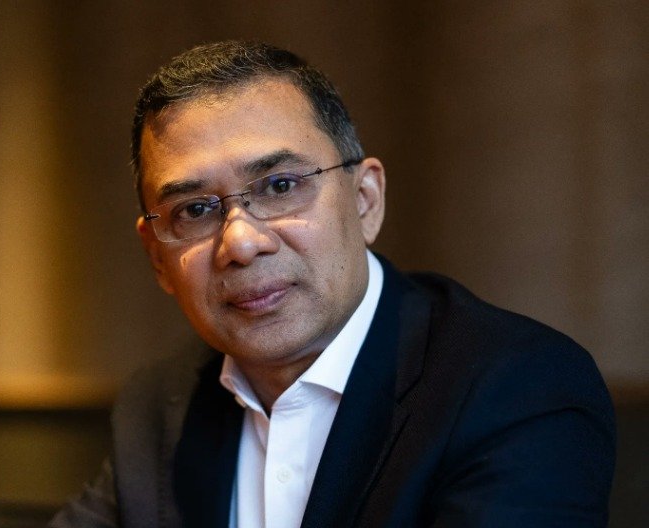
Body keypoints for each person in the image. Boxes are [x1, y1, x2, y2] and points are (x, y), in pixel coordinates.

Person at [50, 41, 615, 528]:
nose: (241, 242)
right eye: (195, 209)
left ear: (365, 200)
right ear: (157, 258)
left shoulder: (517, 389)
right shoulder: (160, 406)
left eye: (279, 186)